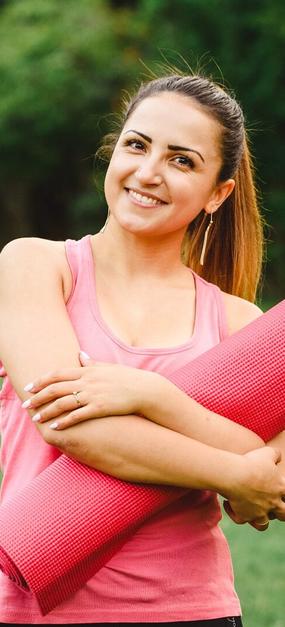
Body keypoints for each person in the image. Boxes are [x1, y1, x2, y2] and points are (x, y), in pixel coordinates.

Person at [0, 71, 285, 626]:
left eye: (182, 161)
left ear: (217, 194)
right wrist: (233, 473)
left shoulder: (239, 323)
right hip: (32, 606)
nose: (149, 172)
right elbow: (67, 425)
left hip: (189, 610)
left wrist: (155, 398)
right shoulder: (35, 266)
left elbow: (272, 478)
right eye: (137, 145)